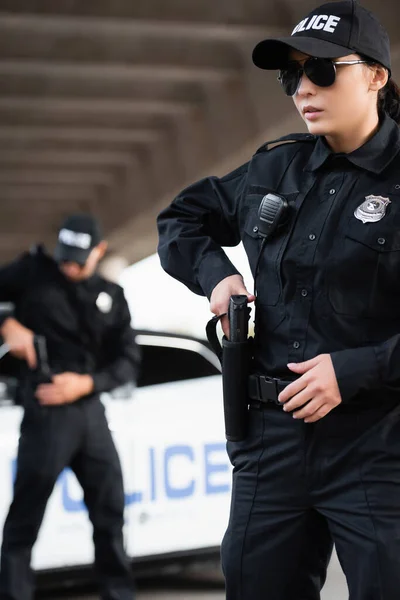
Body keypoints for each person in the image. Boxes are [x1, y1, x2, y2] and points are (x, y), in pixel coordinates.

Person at [157, 1, 400, 598]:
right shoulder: (275, 169)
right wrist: (216, 275)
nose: (302, 89)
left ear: (375, 76)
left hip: (379, 443)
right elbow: (181, 219)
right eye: (292, 75)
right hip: (271, 444)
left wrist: (355, 369)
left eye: (321, 70)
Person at [0, 214, 140, 600]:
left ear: (99, 251)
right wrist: (6, 323)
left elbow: (128, 361)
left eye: (80, 258)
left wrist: (87, 384)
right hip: (45, 413)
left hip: (90, 412)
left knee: (110, 513)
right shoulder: (32, 272)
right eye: (65, 257)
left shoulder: (112, 296)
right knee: (24, 521)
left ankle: (119, 594)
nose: (70, 265)